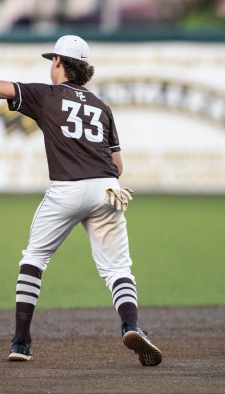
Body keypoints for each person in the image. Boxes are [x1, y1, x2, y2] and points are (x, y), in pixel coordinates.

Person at [0, 35, 162, 366]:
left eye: (52, 60)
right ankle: (131, 325)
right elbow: (118, 166)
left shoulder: (46, 95)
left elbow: (3, 88)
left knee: (34, 258)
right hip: (107, 189)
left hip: (68, 189)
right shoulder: (102, 107)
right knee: (118, 267)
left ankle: (21, 341)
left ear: (58, 62)